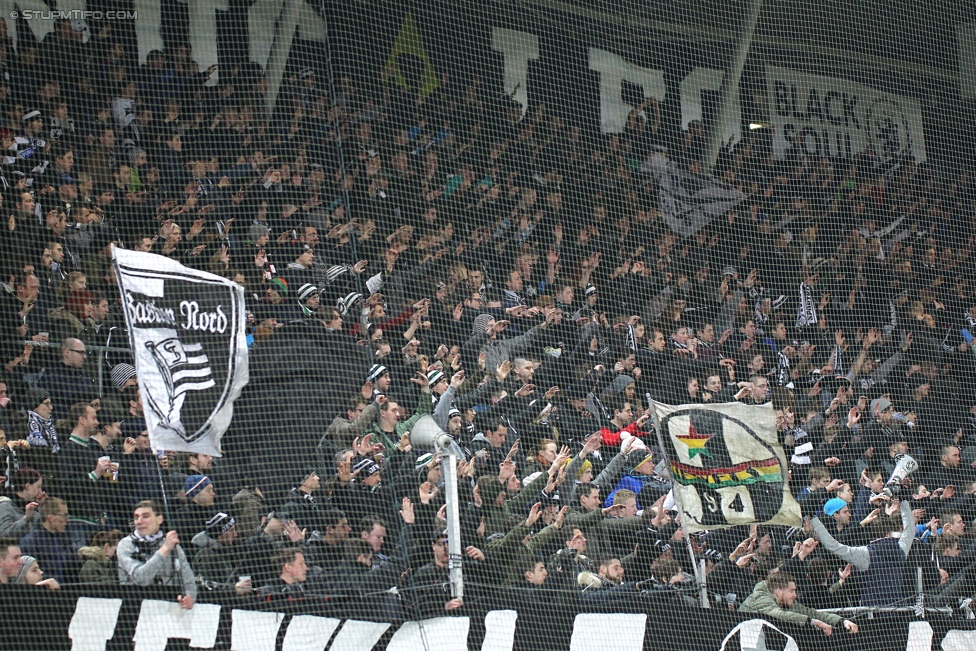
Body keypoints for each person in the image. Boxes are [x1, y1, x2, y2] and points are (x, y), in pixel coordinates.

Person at [116, 500, 196, 609]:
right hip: (134, 608)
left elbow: (189, 582)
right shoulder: (126, 544)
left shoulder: (173, 545)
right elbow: (141, 579)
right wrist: (164, 550)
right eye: (136, 517)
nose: (139, 521)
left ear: (159, 519)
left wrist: (190, 597)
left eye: (145, 516)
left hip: (168, 611)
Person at [740, 571, 858, 637]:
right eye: (791, 591)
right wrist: (813, 622)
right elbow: (780, 615)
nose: (795, 595)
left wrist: (842, 621)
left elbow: (811, 613)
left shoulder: (786, 601)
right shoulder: (761, 598)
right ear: (778, 591)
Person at [19, 497, 77, 584]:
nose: (67, 520)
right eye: (64, 515)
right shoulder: (31, 541)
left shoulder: (59, 540)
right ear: (50, 518)